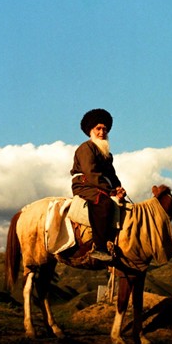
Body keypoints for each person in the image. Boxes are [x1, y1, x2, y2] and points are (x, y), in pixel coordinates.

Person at [70, 109, 126, 262]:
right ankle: (100, 247)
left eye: (105, 129)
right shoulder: (85, 148)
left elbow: (112, 175)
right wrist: (110, 191)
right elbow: (91, 172)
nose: (102, 132)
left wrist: (119, 188)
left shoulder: (107, 154)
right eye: (98, 129)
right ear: (91, 130)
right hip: (85, 185)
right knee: (104, 203)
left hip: (99, 185)